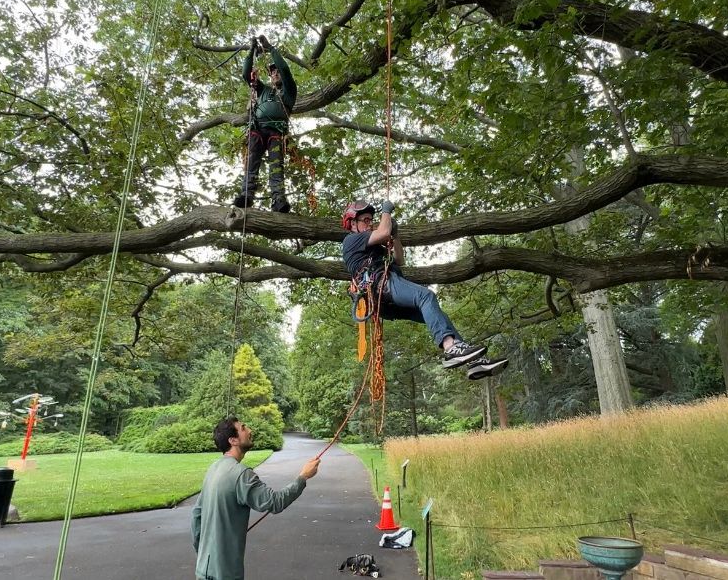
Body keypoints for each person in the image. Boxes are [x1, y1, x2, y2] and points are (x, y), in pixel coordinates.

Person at [341, 200, 508, 380]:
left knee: (439, 316)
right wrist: (386, 212)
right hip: (381, 284)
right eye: (365, 220)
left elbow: (399, 259)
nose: (369, 224)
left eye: (371, 220)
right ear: (352, 224)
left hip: (383, 298)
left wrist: (395, 235)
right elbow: (382, 232)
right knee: (426, 296)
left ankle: (475, 364)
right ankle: (451, 348)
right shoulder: (351, 240)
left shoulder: (374, 248)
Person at [191, 416, 320, 580]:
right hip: (225, 573)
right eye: (244, 428)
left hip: (202, 570)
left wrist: (202, 552)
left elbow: (196, 516)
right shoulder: (242, 475)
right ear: (233, 440)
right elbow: (275, 502)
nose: (250, 430)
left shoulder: (213, 469)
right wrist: (303, 477)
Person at [232, 35, 297, 213]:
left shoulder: (289, 91)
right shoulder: (263, 90)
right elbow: (246, 75)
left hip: (276, 131)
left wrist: (270, 49)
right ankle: (247, 194)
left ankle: (278, 199)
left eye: (277, 72)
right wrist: (251, 50)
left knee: (276, 165)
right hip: (258, 129)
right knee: (252, 161)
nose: (275, 73)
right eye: (272, 72)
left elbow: (284, 68)